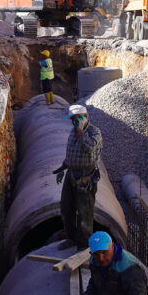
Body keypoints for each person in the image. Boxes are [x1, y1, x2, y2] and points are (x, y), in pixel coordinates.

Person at [53, 104, 102, 249]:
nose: (72, 122)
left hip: (86, 176)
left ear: (85, 117)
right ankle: (71, 238)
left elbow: (89, 148)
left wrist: (81, 131)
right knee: (66, 208)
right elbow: (72, 152)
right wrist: (63, 167)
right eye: (72, 119)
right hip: (71, 174)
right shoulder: (73, 132)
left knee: (84, 212)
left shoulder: (94, 132)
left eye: (75, 119)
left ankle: (84, 245)